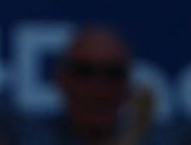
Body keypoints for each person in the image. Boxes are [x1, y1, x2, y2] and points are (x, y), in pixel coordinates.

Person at [9, 26, 161, 145]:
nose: (98, 88)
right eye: (84, 71)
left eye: (112, 73)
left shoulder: (158, 139)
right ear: (61, 80)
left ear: (128, 86)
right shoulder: (23, 138)